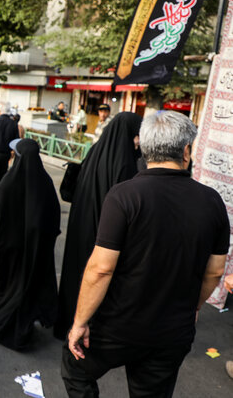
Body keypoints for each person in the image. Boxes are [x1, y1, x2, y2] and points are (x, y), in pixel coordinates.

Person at [62, 111, 229, 398]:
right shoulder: (212, 201)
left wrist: (79, 322)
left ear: (145, 148)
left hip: (117, 326)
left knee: (75, 368)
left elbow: (100, 268)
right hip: (172, 331)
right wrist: (195, 307)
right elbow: (215, 271)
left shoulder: (124, 195)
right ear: (186, 151)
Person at [55, 112, 142, 340]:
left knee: (76, 272)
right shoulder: (125, 163)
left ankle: (68, 320)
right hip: (104, 232)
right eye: (137, 135)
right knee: (98, 277)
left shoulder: (95, 151)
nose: (138, 141)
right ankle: (89, 326)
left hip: (81, 224)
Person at [0, 139, 60, 350]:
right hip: (37, 250)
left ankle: (5, 311)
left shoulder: (9, 182)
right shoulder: (44, 182)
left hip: (10, 247)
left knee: (8, 280)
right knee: (30, 281)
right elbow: (53, 216)